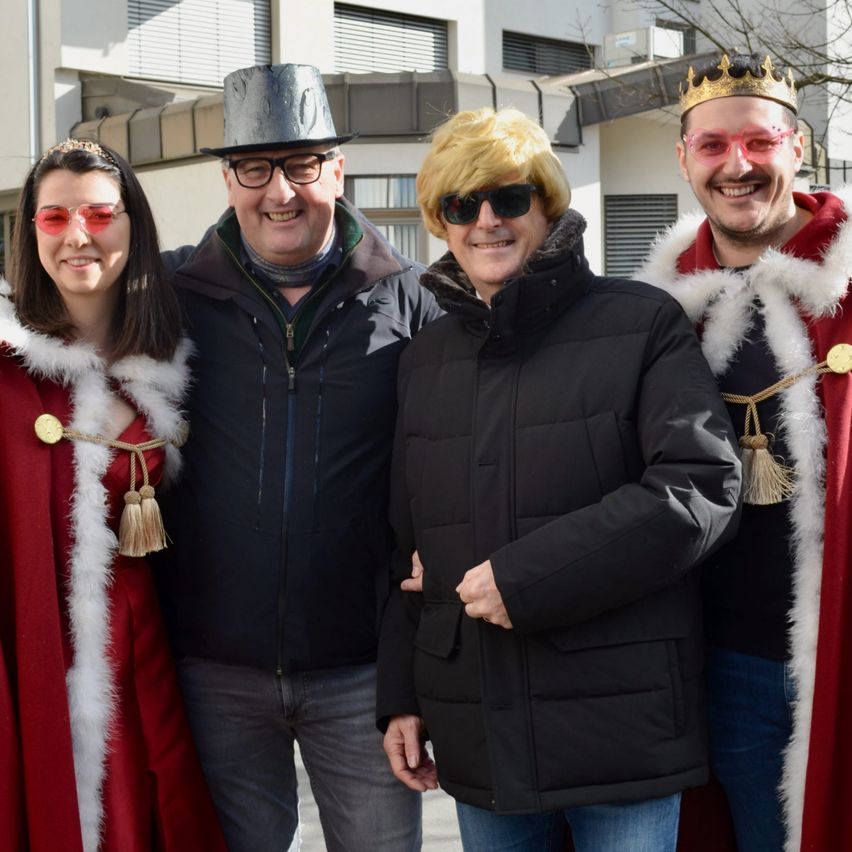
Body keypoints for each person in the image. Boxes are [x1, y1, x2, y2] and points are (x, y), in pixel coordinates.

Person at [375, 106, 741, 852]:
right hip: (480, 736)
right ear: (438, 221)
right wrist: (401, 697)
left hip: (622, 738)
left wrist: (528, 579)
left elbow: (699, 487)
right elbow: (406, 548)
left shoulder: (641, 323)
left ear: (545, 202)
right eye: (460, 204)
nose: (486, 221)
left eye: (507, 197)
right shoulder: (425, 358)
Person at [157, 64, 441, 852]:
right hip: (213, 668)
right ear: (227, 179)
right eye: (255, 168)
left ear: (337, 169)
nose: (279, 191)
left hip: (362, 672)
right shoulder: (172, 296)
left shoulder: (413, 301)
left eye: (302, 165)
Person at [636, 53, 852, 852]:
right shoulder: (654, 310)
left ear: (798, 148)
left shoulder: (849, 282)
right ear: (685, 160)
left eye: (759, 143)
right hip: (719, 667)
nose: (738, 166)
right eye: (714, 146)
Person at [0, 139, 225, 851]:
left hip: (138, 664)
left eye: (100, 213)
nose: (77, 236)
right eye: (53, 217)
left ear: (134, 225)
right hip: (24, 651)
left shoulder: (171, 367)